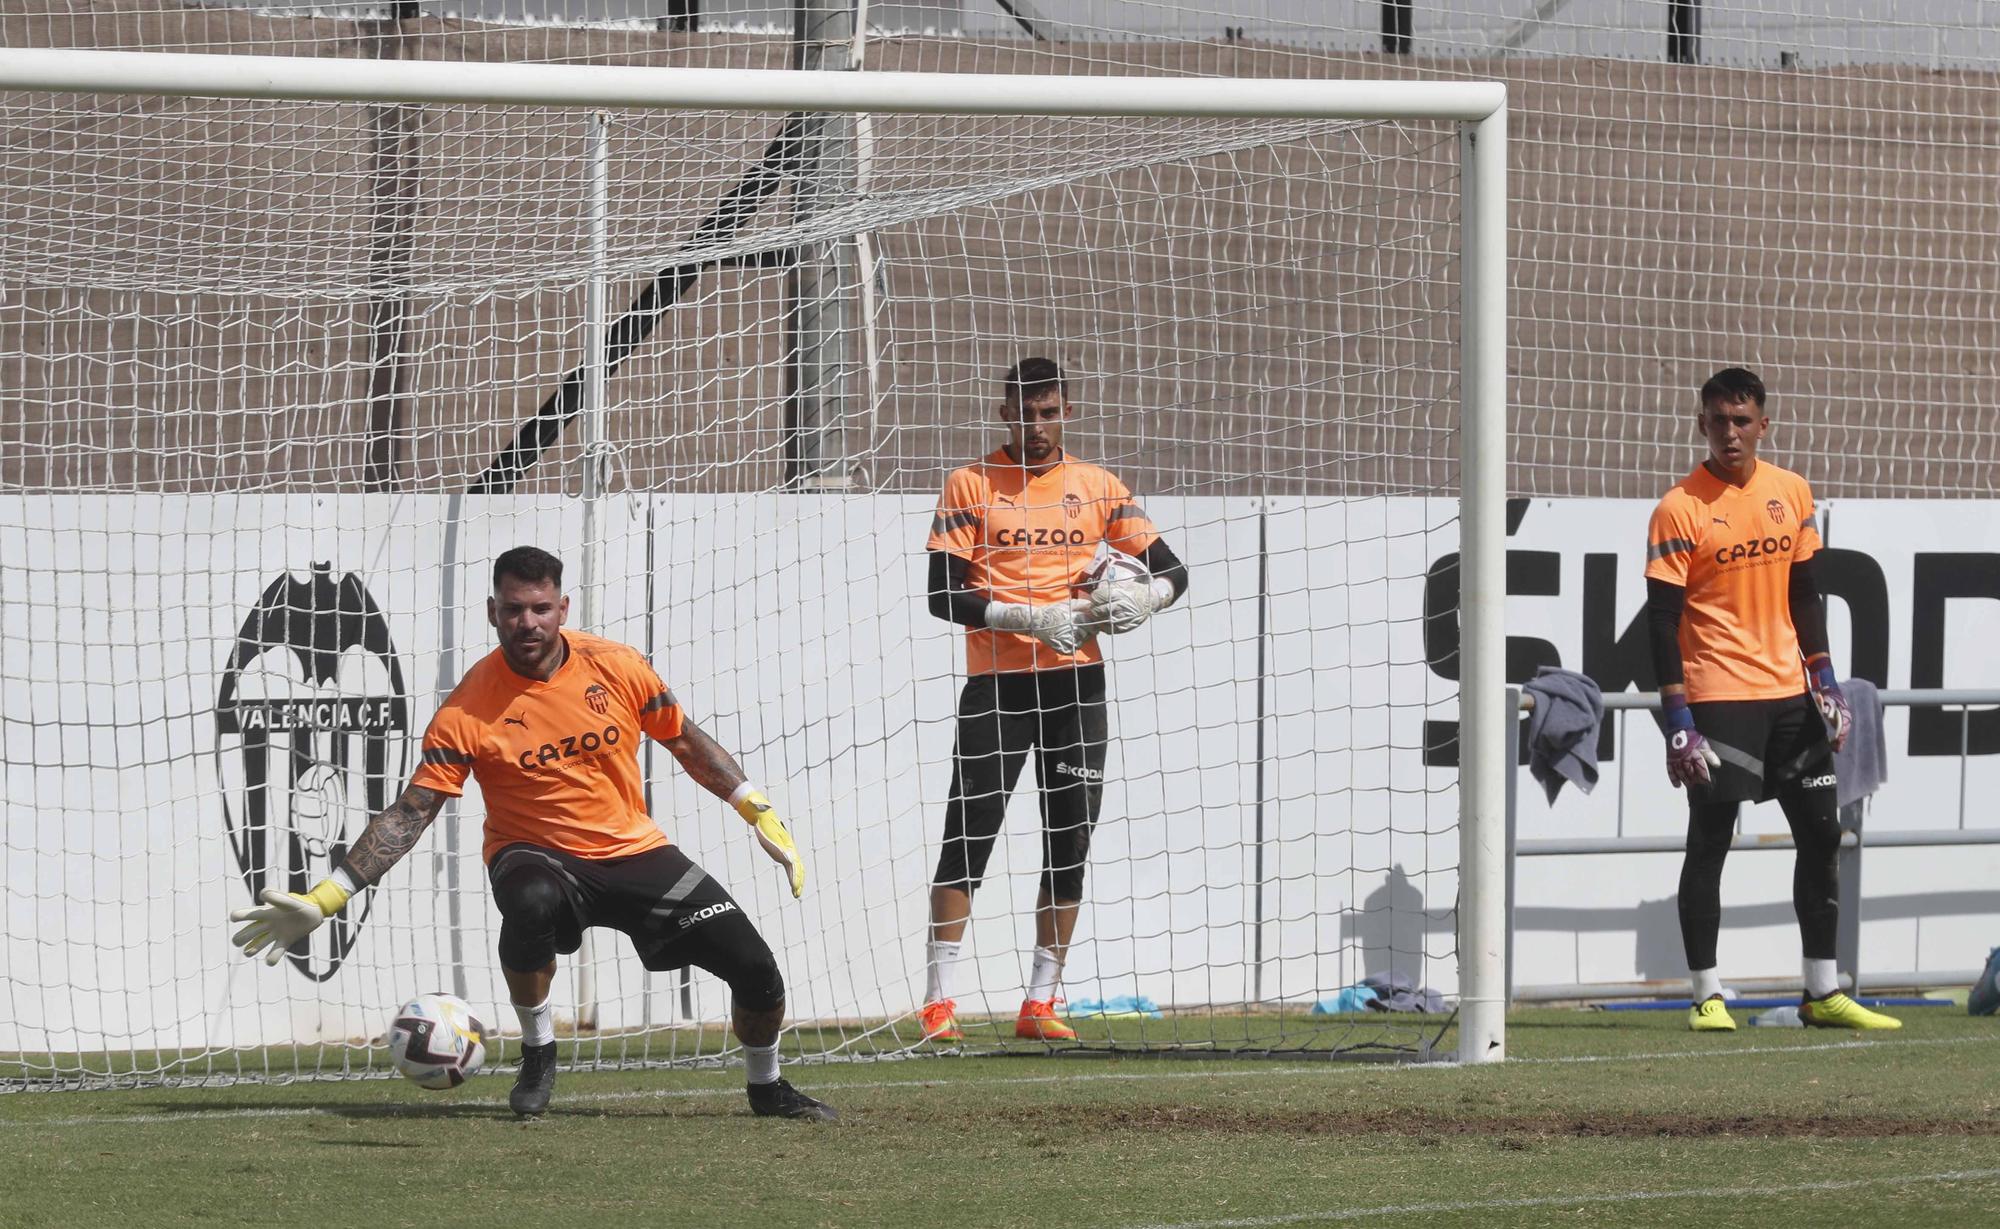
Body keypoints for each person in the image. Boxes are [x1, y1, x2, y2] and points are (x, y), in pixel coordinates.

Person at [228, 546, 838, 1119]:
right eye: (514, 609)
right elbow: (412, 812)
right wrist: (326, 897)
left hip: (635, 849)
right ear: (493, 612)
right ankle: (539, 1050)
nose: (528, 623)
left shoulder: (617, 666)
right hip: (535, 854)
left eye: (540, 608)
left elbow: (683, 738)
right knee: (529, 899)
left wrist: (754, 805)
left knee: (756, 970)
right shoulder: (465, 712)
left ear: (562, 609)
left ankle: (767, 1087)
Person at [919, 357, 1189, 1043]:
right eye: (1023, 412)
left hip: (1076, 683)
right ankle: (939, 1000)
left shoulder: (1098, 486)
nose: (1035, 425)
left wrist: (1139, 603)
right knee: (971, 830)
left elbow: (1173, 572)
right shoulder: (970, 482)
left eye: (1048, 412)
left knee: (1070, 837)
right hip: (998, 685)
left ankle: (1040, 1002)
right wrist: (1029, 618)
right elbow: (942, 594)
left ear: (1067, 410)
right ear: (1003, 410)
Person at [1644, 367, 1897, 1032]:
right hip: (1719, 697)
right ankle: (1707, 994)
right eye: (1719, 420)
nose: (1731, 432)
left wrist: (1827, 679)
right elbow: (1661, 620)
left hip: (1791, 696)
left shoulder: (1792, 491)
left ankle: (1822, 991)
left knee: (1821, 833)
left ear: (1764, 423)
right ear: (1701, 424)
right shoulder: (1680, 506)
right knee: (1711, 839)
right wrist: (1677, 718)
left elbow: (1806, 594)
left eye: (1743, 420)